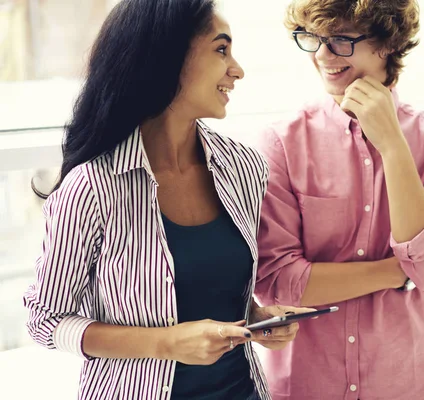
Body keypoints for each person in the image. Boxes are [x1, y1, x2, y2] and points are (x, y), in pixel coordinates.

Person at [23, 1, 311, 399]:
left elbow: (216, 296)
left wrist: (257, 320)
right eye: (221, 49)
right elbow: (46, 320)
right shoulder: (93, 188)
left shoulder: (244, 167)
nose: (238, 69)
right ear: (167, 56)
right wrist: (167, 343)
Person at [254, 0, 424, 399]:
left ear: (388, 43)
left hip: (408, 381)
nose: (322, 55)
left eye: (340, 39)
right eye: (313, 39)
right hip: (306, 386)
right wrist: (397, 272)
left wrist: (392, 145)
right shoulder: (282, 143)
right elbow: (277, 282)